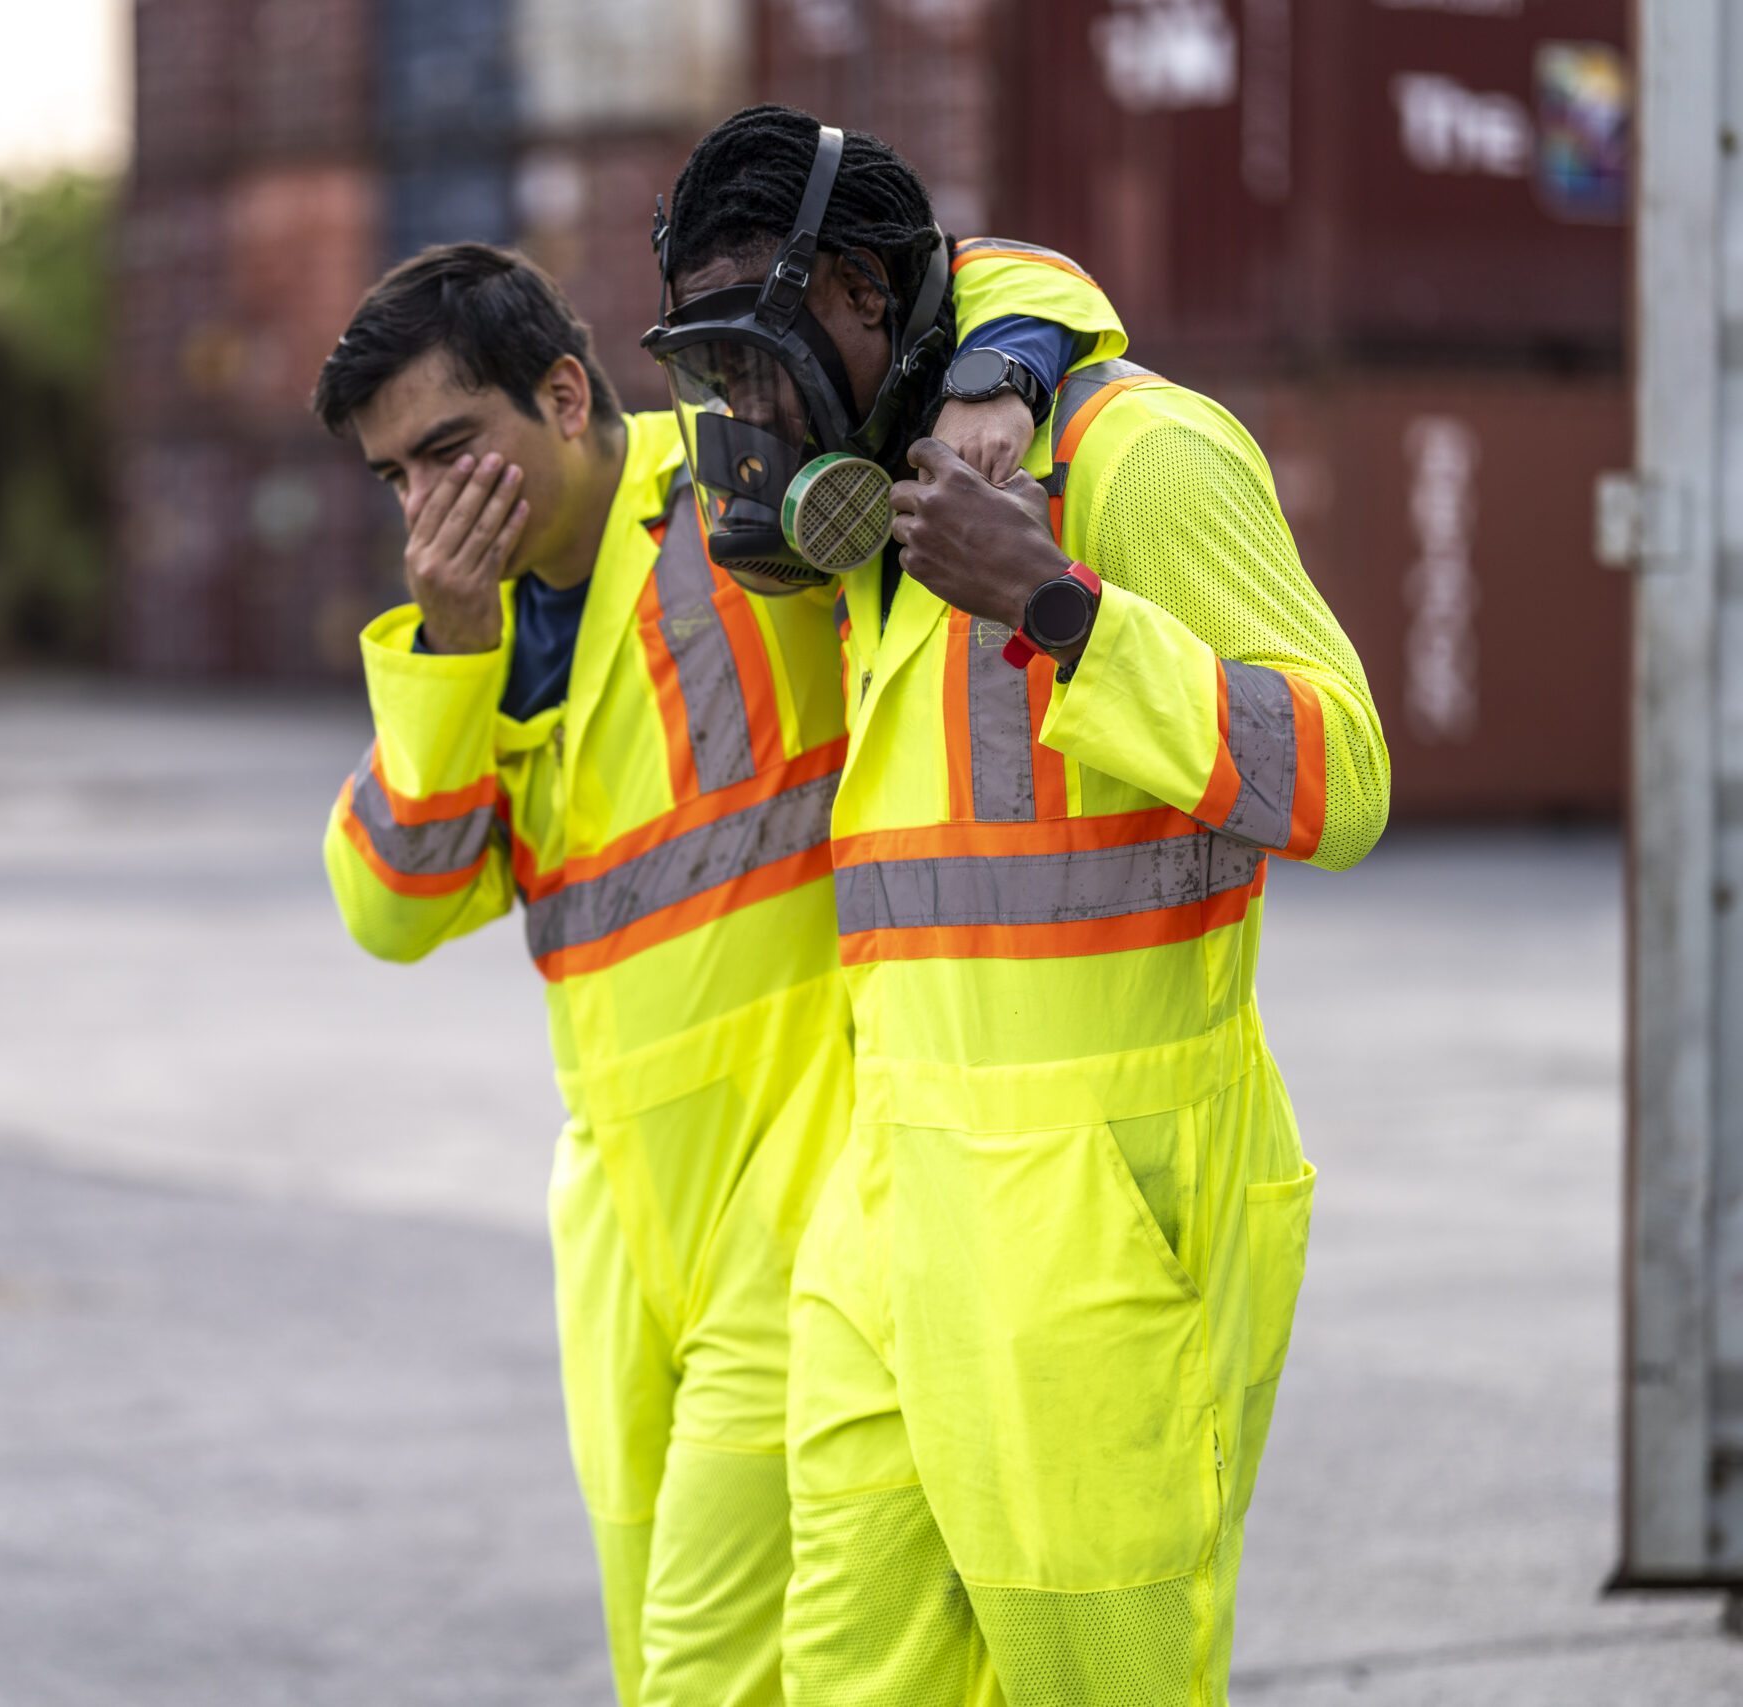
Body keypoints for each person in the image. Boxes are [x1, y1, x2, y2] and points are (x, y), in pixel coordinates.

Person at [315, 221, 1124, 1707]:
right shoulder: (468, 631)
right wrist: (450, 648)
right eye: (398, 480)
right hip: (628, 1217)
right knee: (666, 1658)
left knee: (717, 1666)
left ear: (567, 395)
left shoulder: (746, 477)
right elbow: (394, 902)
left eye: (449, 449)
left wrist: (1002, 369)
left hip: (801, 1171)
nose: (429, 503)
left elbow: (1003, 272)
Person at [647, 106, 1392, 1705]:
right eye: (711, 374)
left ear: (860, 294)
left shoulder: (1141, 458)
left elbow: (1344, 778)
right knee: (852, 1679)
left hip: (1098, 1223)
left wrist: (1061, 608)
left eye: (759, 360)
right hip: (894, 1215)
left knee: (1099, 1682)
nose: (746, 415)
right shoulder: (875, 498)